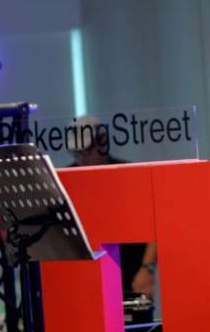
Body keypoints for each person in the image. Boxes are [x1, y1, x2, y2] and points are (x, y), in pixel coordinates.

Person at [67, 114, 157, 301]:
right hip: (83, 279)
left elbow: (154, 224)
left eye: (86, 151)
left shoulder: (128, 174)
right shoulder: (67, 180)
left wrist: (147, 268)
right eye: (76, 153)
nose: (81, 159)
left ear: (102, 141)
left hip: (130, 274)